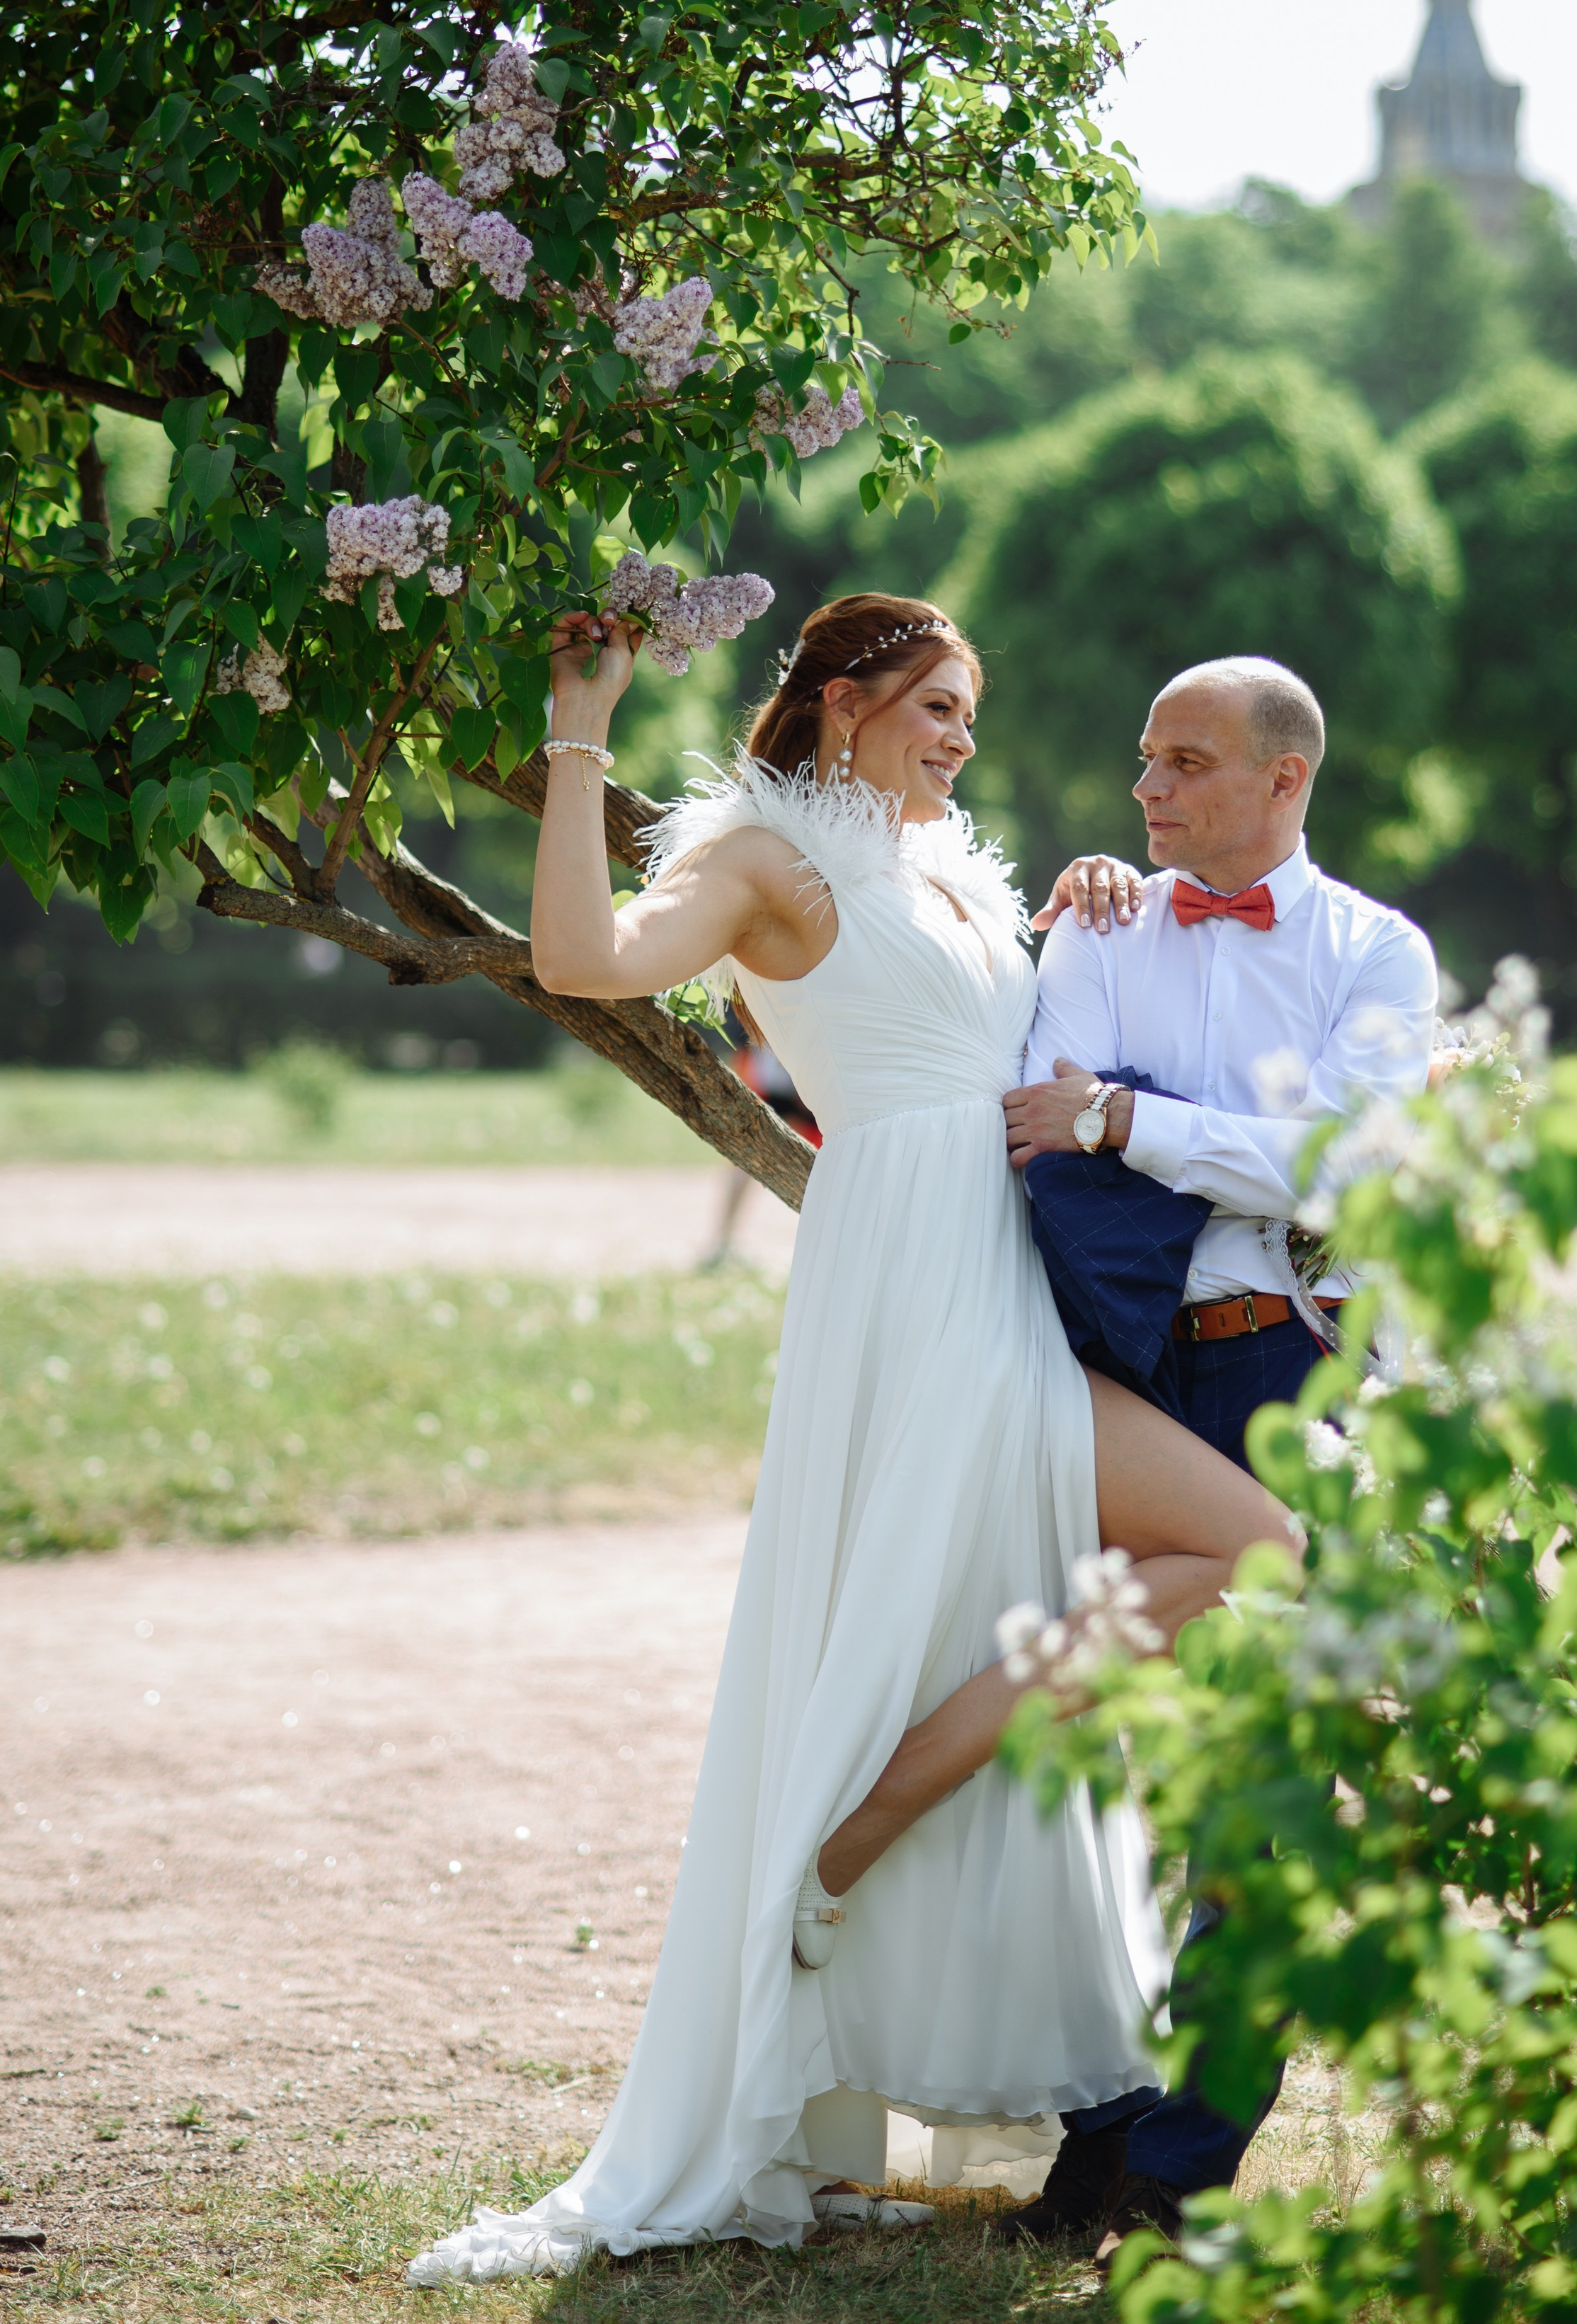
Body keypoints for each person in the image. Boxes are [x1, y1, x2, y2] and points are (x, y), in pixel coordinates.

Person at [407, 596, 1300, 2284]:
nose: (959, 733)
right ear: (839, 697)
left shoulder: (949, 860)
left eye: (971, 709)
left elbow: (1020, 1030)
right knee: (1238, 1541)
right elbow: (582, 962)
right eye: (933, 703)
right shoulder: (763, 854)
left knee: (1154, 1563)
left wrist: (1084, 907)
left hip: (1000, 1263)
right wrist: (581, 719)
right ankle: (847, 1829)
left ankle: (857, 1831)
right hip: (905, 1272)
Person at [997, 656, 1439, 2261]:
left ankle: (1177, 2178)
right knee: (1094, 1743)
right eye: (1139, 759)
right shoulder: (1102, 920)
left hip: (1281, 1368)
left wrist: (1131, 1119)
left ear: (1282, 778)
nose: (1145, 790)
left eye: (1182, 761)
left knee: (1253, 1782)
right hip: (1109, 1364)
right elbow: (1033, 1109)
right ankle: (1088, 2135)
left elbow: (1344, 1160)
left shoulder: (1374, 950)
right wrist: (1146, 1120)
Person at [701, 1013, 820, 1271]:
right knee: (748, 1155)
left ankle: (722, 1240)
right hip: (786, 1058)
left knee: (748, 1158)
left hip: (772, 1054)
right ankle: (722, 1241)